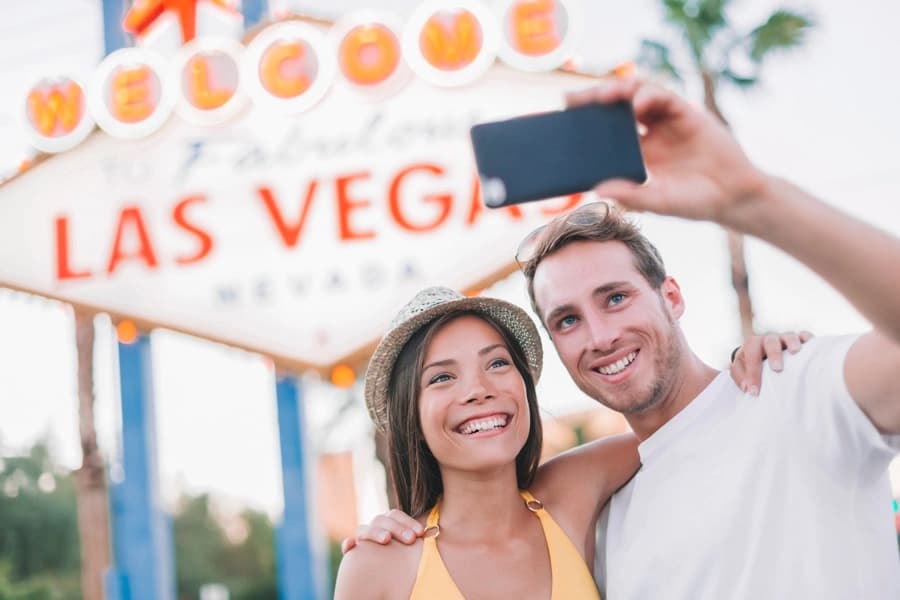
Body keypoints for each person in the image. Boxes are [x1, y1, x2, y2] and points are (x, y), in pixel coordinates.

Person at [345, 77, 900, 599]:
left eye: (615, 297)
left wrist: (751, 199)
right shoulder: (597, 515)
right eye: (566, 320)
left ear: (673, 297)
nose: (602, 335)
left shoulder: (792, 391)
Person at [333, 286, 638, 599]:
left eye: (497, 363)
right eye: (442, 378)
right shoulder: (377, 565)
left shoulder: (571, 495)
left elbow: (676, 425)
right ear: (413, 420)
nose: (479, 389)